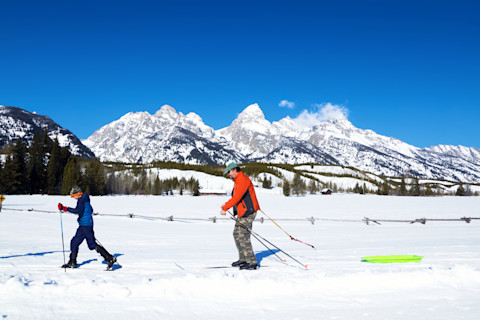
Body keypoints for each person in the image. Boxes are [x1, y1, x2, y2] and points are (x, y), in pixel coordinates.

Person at [58, 186, 117, 270]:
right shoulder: (86, 200)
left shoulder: (82, 200)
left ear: (77, 194)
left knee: (92, 244)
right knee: (74, 242)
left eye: (73, 196)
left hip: (86, 226)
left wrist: (65, 208)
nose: (73, 197)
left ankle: (110, 258)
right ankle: (72, 262)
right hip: (84, 225)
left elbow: (78, 211)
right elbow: (90, 210)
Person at [220, 162, 260, 270]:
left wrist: (225, 208)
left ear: (234, 170)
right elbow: (237, 198)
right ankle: (244, 259)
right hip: (243, 212)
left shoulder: (242, 180)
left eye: (229, 172)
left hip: (248, 212)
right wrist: (226, 205)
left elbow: (237, 197)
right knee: (236, 234)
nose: (228, 174)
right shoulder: (238, 180)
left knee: (243, 235)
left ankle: (252, 262)